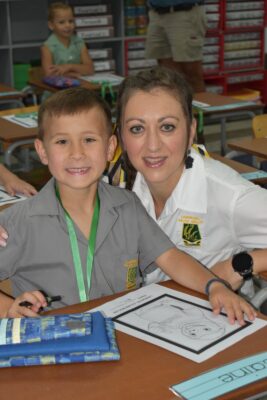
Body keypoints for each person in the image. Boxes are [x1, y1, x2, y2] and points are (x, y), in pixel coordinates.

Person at [0, 87, 255, 325]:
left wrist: (214, 286)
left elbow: (169, 257)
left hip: (125, 336)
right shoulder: (19, 221)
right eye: (62, 142)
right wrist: (8, 308)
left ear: (110, 147)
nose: (76, 153)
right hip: (55, 344)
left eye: (89, 140)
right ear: (42, 151)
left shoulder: (127, 205)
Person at [115, 66, 267, 292]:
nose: (153, 145)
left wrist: (242, 264)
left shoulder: (228, 195)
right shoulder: (119, 188)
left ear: (191, 130)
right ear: (121, 136)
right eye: (137, 129)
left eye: (167, 127)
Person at [145, 1, 207, 92]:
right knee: (166, 74)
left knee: (191, 73)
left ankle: (198, 105)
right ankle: (176, 105)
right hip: (156, 13)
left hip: (184, 11)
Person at [41, 2, 94, 78]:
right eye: (61, 22)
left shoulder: (80, 43)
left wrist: (70, 67)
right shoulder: (46, 47)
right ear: (51, 25)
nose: (68, 25)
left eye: (71, 21)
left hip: (79, 87)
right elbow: (50, 75)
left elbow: (90, 69)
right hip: (56, 89)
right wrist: (72, 74)